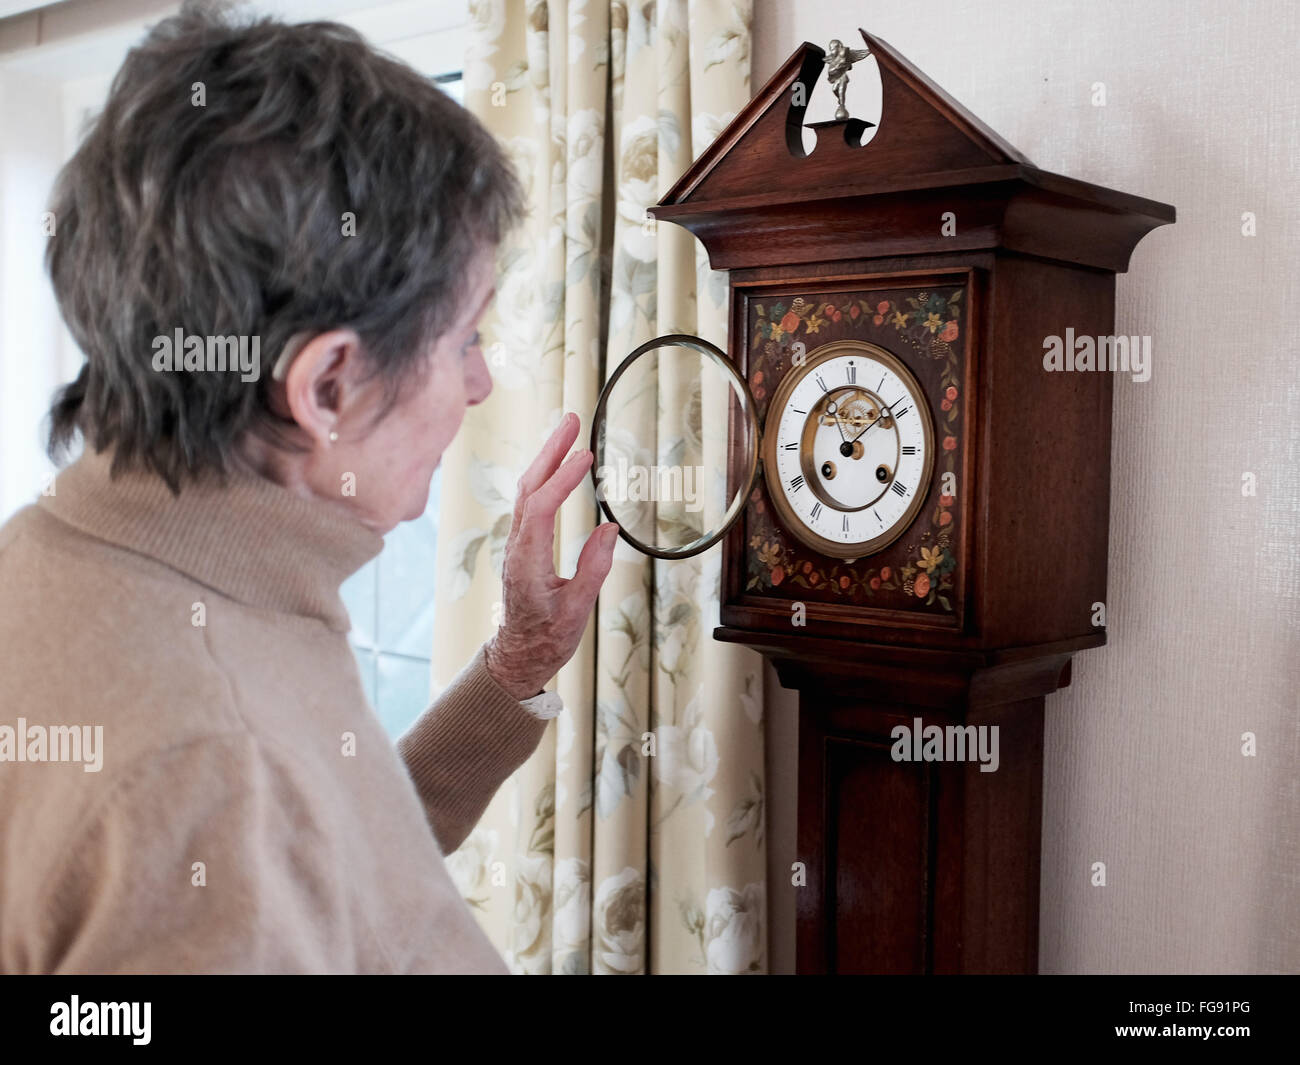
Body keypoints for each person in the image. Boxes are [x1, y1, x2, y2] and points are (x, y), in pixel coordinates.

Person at [0, 3, 617, 973]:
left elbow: (317, 865)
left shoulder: (77, 564)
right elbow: (243, 824)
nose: (480, 383)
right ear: (325, 387)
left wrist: (513, 667)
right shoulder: (211, 772)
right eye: (465, 338)